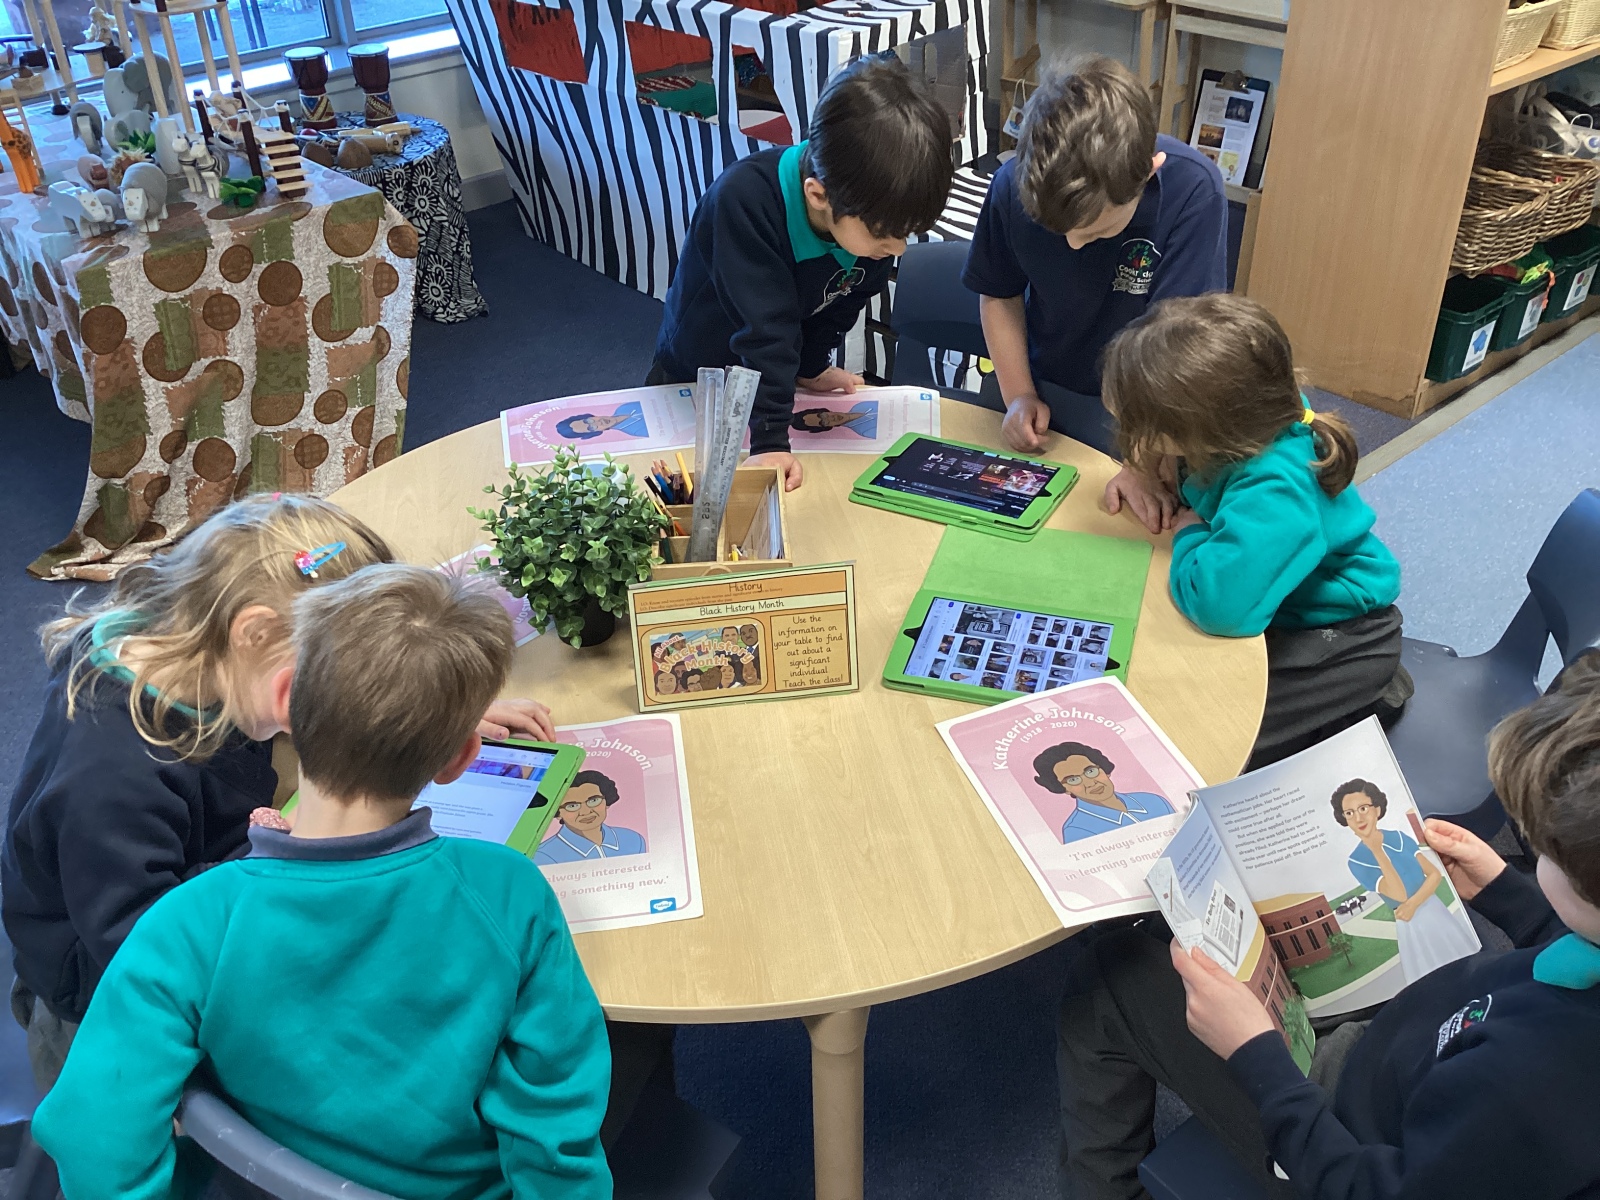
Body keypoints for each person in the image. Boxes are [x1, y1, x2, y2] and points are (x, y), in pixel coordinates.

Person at [30, 565, 610, 1198]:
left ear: (285, 701)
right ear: (461, 759)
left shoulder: (187, 920)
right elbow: (555, 1129)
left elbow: (92, 1135)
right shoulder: (511, 893)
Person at [0, 495, 557, 1092]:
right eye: (324, 681)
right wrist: (275, 873)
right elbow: (144, 949)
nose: (332, 699)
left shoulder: (212, 662)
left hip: (211, 882)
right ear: (254, 632)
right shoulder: (112, 778)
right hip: (107, 1002)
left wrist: (419, 712)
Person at [1056, 651, 1600, 1200]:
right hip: (1401, 1040)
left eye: (1546, 853)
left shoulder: (1529, 1085)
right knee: (1181, 935)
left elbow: (1366, 1189)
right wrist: (1510, 896)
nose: (1533, 857)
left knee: (1108, 979)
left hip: (1332, 1131)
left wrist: (1255, 1054)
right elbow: (1569, 958)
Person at [1100, 293, 1410, 768]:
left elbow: (1221, 610)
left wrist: (1191, 532)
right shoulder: (1253, 416)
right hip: (1274, 598)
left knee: (1203, 743)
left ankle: (1363, 704)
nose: (1133, 439)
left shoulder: (1276, 492)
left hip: (1344, 641)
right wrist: (1151, 465)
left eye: (1141, 430)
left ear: (1202, 432)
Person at [649, 54, 953, 491]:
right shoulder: (743, 202)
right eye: (885, 234)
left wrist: (810, 366)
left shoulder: (867, 214)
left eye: (906, 233)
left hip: (769, 376)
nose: (899, 249)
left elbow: (842, 298)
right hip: (696, 371)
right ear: (818, 195)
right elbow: (766, 333)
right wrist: (771, 440)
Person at [963, 54, 1227, 532]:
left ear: (1148, 173)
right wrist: (1018, 394)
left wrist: (1142, 462)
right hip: (1047, 385)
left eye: (1096, 230)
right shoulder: (1012, 185)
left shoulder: (1193, 191)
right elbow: (999, 294)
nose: (1073, 244)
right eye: (1058, 230)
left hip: (1149, 410)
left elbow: (1177, 349)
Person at [1333, 779, 1479, 980]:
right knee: (1431, 977)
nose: (1358, 818)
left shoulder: (1399, 837)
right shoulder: (1357, 861)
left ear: (1377, 809)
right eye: (1349, 813)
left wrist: (1413, 903)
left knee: (1467, 964)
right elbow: (1398, 894)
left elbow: (1434, 874)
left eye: (1363, 808)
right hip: (1411, 924)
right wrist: (1377, 851)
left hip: (1432, 909)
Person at [1032, 741, 1174, 843]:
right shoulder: (1077, 829)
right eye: (1073, 780)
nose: (1090, 783)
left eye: (1090, 771)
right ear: (1065, 789)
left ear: (1105, 771)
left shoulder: (1153, 801)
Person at [535, 770, 649, 865]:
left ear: (607, 801)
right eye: (572, 806)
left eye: (593, 800)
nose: (585, 812)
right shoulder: (543, 855)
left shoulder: (633, 839)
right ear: (558, 813)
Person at [555, 401, 648, 441]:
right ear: (596, 432)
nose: (598, 422)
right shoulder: (635, 431)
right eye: (591, 428)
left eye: (588, 421)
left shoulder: (623, 407)